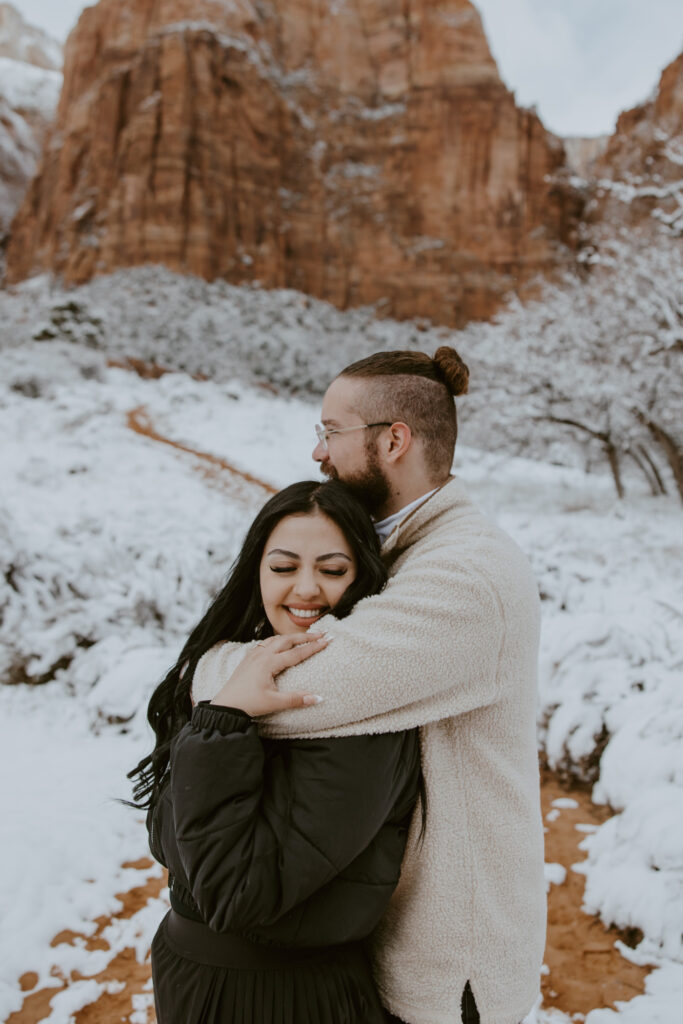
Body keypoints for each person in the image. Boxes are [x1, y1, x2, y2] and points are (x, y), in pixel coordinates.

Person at [195, 346, 546, 1024]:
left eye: (330, 431)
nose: (317, 453)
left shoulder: (465, 574)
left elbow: (307, 689)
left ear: (393, 440)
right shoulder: (404, 548)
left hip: (447, 972)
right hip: (388, 939)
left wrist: (204, 672)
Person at [129, 480, 422, 1024]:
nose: (305, 588)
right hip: (196, 978)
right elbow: (171, 842)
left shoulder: (360, 710)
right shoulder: (239, 667)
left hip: (286, 998)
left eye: (332, 570)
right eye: (283, 567)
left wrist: (223, 721)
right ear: (256, 572)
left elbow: (236, 895)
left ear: (363, 576)